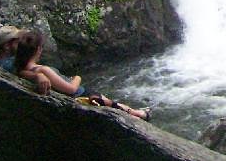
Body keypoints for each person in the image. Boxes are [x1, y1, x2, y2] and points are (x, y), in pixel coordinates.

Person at [13, 31, 150, 120]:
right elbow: (71, 89)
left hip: (78, 96)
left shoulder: (22, 69)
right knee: (108, 102)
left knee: (109, 102)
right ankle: (138, 114)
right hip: (81, 96)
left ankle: (137, 113)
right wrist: (77, 77)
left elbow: (24, 73)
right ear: (38, 49)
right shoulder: (43, 70)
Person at [0, 25, 50, 95]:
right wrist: (37, 75)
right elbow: (19, 72)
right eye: (18, 42)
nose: (22, 44)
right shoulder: (8, 63)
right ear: (7, 46)